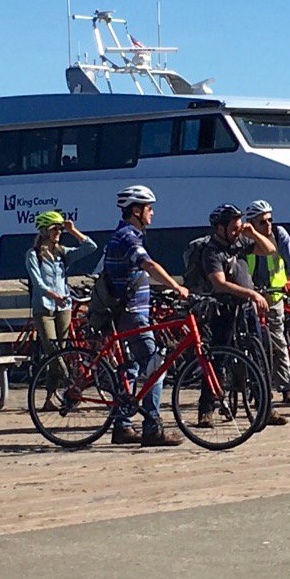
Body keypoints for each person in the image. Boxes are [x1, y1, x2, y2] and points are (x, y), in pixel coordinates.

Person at [105, 185, 189, 446]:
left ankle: (122, 426)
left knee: (131, 368)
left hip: (130, 312)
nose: (152, 213)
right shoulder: (128, 237)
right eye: (149, 209)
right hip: (131, 313)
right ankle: (152, 427)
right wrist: (176, 286)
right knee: (156, 367)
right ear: (136, 211)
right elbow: (148, 265)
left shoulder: (127, 235)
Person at [201, 203, 286, 427]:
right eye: (234, 228)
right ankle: (206, 409)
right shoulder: (212, 251)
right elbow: (219, 283)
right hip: (224, 309)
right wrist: (251, 293)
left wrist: (254, 233)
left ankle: (266, 408)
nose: (237, 231)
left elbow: (270, 250)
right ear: (220, 228)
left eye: (239, 227)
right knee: (218, 358)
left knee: (258, 358)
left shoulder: (239, 243)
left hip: (246, 308)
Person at [25, 211, 97, 411]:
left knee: (60, 352)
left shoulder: (62, 253)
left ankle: (49, 398)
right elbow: (37, 283)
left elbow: (91, 247)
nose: (58, 232)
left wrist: (73, 230)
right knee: (53, 352)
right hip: (44, 308)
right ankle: (72, 386)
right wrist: (53, 295)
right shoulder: (33, 255)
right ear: (44, 231)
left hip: (64, 308)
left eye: (60, 229)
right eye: (54, 228)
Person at [244, 200, 290, 405]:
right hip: (251, 296)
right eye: (262, 222)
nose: (268, 224)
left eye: (270, 220)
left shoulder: (278, 234)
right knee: (250, 342)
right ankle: (257, 388)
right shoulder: (244, 239)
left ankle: (286, 387)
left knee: (278, 341)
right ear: (251, 223)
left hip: (274, 295)